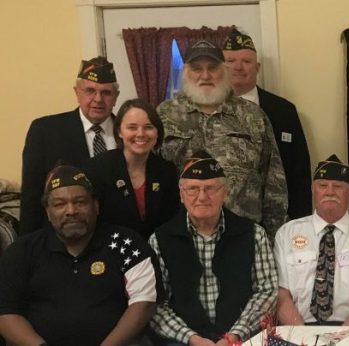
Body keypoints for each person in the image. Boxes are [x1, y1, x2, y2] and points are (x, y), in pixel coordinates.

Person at [0, 165, 158, 346]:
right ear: (48, 212)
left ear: (96, 206)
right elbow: (6, 312)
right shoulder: (22, 250)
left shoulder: (127, 243)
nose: (71, 211)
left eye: (80, 202)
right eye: (59, 204)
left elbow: (144, 304)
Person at [158, 40, 288, 235]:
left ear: (224, 72)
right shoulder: (164, 115)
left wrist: (273, 236)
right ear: (186, 73)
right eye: (196, 69)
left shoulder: (252, 115)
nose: (205, 75)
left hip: (243, 234)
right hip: (181, 236)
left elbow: (274, 182)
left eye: (212, 68)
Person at [148, 151, 277, 345]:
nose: (202, 197)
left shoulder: (253, 234)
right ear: (181, 195)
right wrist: (191, 339)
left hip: (243, 339)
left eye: (210, 188)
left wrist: (234, 336)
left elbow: (267, 291)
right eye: (193, 189)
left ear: (225, 192)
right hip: (182, 341)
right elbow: (155, 304)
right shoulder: (160, 239)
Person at [275, 154, 349, 326]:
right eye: (323, 185)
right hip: (299, 328)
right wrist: (303, 336)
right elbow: (281, 293)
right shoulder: (287, 233)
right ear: (313, 189)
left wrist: (341, 336)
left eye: (338, 186)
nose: (330, 192)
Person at [20, 57, 120, 234]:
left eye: (106, 93)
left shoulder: (130, 133)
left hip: (118, 241)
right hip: (61, 240)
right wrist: (28, 251)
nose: (98, 99)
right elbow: (31, 198)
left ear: (116, 97)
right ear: (77, 92)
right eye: (90, 90)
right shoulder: (45, 131)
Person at [223, 28, 312, 221]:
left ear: (258, 67)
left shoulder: (283, 111)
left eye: (246, 61)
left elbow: (300, 171)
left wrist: (301, 222)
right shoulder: (208, 110)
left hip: (273, 218)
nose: (238, 67)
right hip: (221, 219)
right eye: (230, 61)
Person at [83, 99, 180, 240]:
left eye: (148, 127)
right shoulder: (97, 169)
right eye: (132, 127)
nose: (140, 134)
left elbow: (171, 221)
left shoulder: (167, 171)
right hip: (110, 253)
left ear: (157, 132)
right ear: (119, 132)